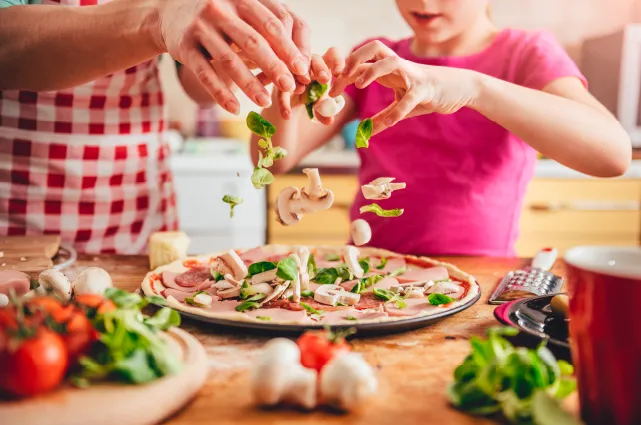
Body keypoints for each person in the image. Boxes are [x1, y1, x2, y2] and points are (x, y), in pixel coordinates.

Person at [251, 0, 632, 257]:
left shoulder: (525, 53)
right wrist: (286, 94)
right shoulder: (377, 56)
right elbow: (270, 165)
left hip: (479, 276)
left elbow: (612, 155)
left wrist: (474, 88)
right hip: (373, 271)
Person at [0, 0, 312, 254]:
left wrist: (228, 43)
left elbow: (199, 89)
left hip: (137, 212)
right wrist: (156, 20)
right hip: (16, 220)